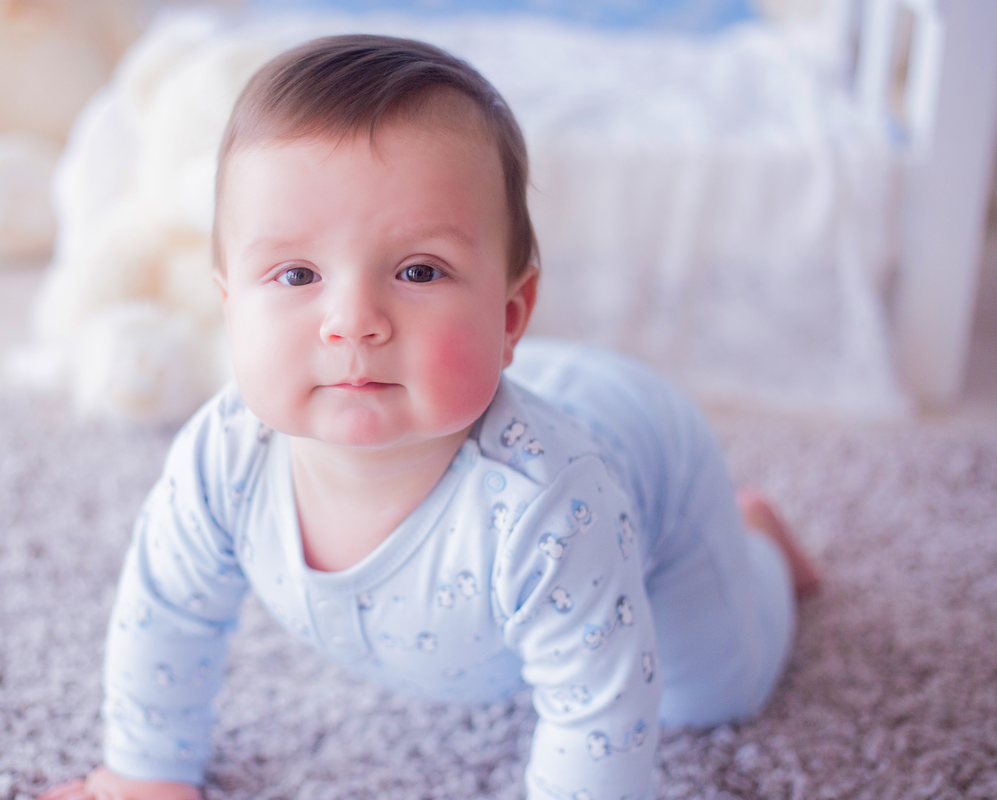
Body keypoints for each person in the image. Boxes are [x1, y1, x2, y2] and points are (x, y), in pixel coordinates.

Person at [40, 34, 820, 800]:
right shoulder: (224, 453)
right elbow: (166, 611)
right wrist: (144, 771)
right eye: (296, 273)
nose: (353, 321)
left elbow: (599, 713)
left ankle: (756, 544)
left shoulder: (550, 506)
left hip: (649, 456)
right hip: (492, 385)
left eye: (418, 270)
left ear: (510, 315)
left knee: (712, 696)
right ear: (229, 307)